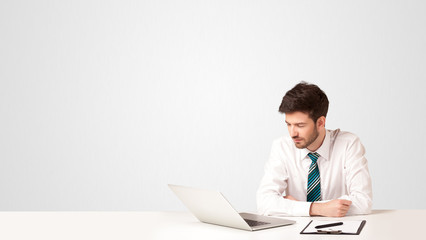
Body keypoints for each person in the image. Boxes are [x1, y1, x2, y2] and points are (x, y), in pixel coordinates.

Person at [257, 82, 372, 217]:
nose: (293, 133)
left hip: (339, 231)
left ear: (320, 123)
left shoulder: (348, 144)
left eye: (300, 125)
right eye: (288, 124)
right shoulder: (282, 147)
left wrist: (294, 207)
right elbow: (264, 203)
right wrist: (317, 209)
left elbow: (363, 202)